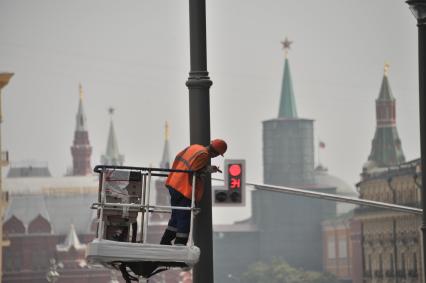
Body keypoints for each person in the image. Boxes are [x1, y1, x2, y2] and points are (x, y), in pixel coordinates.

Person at [160, 139, 227, 246]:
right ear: (215, 153)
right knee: (184, 217)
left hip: (174, 183)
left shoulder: (195, 147)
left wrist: (207, 168)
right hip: (184, 188)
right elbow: (195, 171)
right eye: (218, 154)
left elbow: (182, 159)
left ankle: (165, 241)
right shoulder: (204, 155)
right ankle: (180, 245)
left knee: (176, 216)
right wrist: (208, 170)